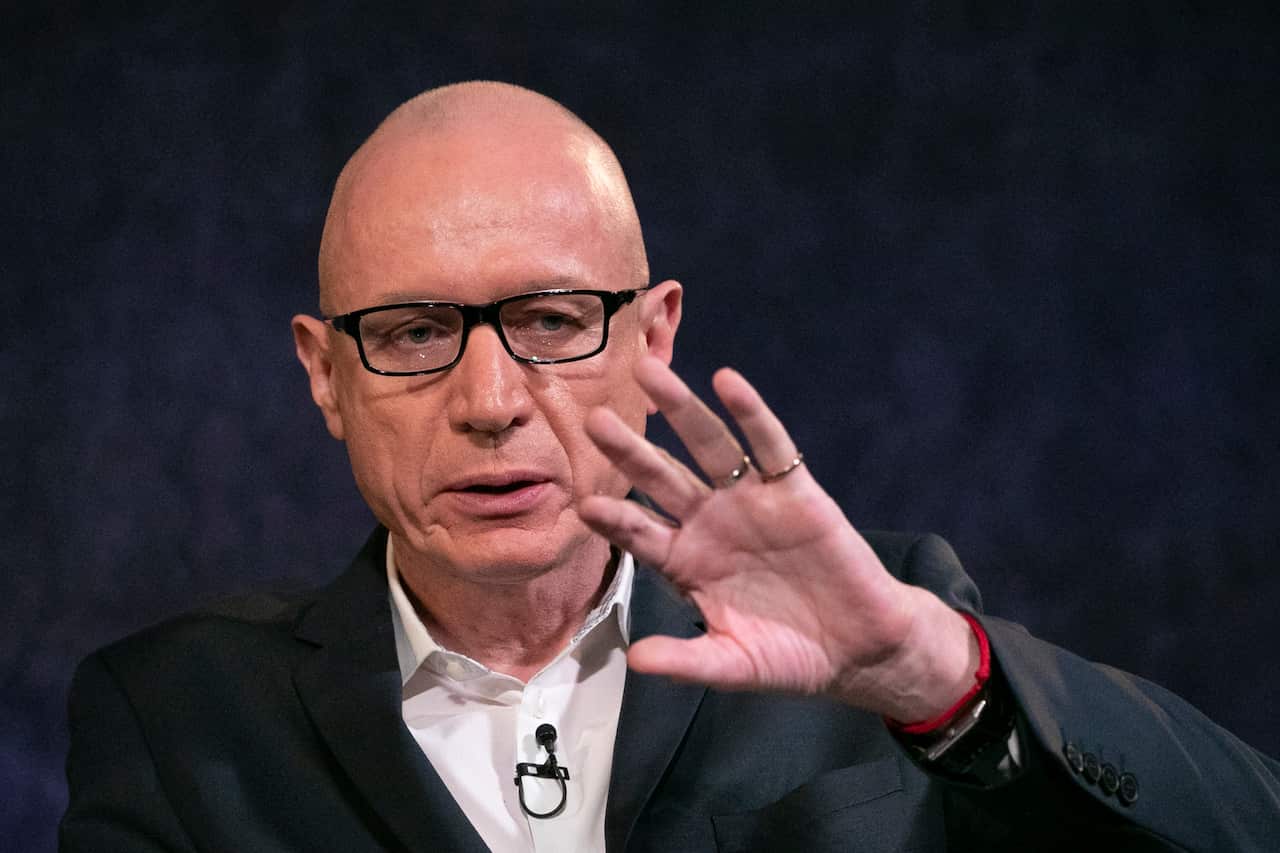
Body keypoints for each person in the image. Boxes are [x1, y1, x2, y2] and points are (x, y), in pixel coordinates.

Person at [61, 81, 1280, 852]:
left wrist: (937, 680)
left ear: (652, 338)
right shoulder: (177, 714)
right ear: (325, 374)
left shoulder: (878, 639)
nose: (490, 403)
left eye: (550, 320)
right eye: (414, 334)